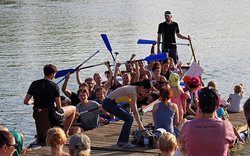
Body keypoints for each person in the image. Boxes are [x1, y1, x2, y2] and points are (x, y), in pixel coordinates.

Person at [180, 87, 236, 156]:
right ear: (218, 105)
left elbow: (183, 144)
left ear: (199, 105)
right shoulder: (226, 126)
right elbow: (232, 144)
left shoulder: (187, 126)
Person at [23, 64, 76, 135]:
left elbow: (26, 101)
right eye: (54, 74)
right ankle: (64, 133)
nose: (54, 76)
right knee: (73, 109)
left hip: (37, 115)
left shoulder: (34, 84)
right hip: (51, 116)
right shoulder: (54, 86)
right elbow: (59, 107)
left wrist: (33, 102)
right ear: (51, 74)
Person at [102, 79, 153, 149]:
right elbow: (135, 111)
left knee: (128, 118)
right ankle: (124, 142)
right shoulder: (133, 93)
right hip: (108, 103)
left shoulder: (134, 88)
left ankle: (121, 142)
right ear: (142, 87)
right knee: (129, 119)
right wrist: (141, 127)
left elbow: (131, 106)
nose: (145, 94)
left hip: (111, 102)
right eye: (146, 91)